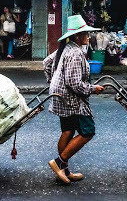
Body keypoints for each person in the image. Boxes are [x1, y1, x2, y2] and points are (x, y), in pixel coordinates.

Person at [43, 15, 105, 184]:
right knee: (87, 131)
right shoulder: (76, 53)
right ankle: (59, 163)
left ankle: (63, 172)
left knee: (68, 131)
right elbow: (74, 84)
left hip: (60, 97)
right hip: (71, 100)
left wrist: (53, 81)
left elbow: (46, 63)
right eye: (86, 34)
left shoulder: (66, 47)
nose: (88, 36)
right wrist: (93, 89)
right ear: (78, 36)